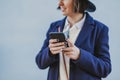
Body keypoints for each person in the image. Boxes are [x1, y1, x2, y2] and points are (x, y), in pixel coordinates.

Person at [36, 0, 112, 80]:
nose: (59, 3)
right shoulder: (54, 26)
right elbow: (40, 62)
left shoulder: (100, 29)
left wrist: (80, 55)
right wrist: (50, 52)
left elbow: (105, 69)